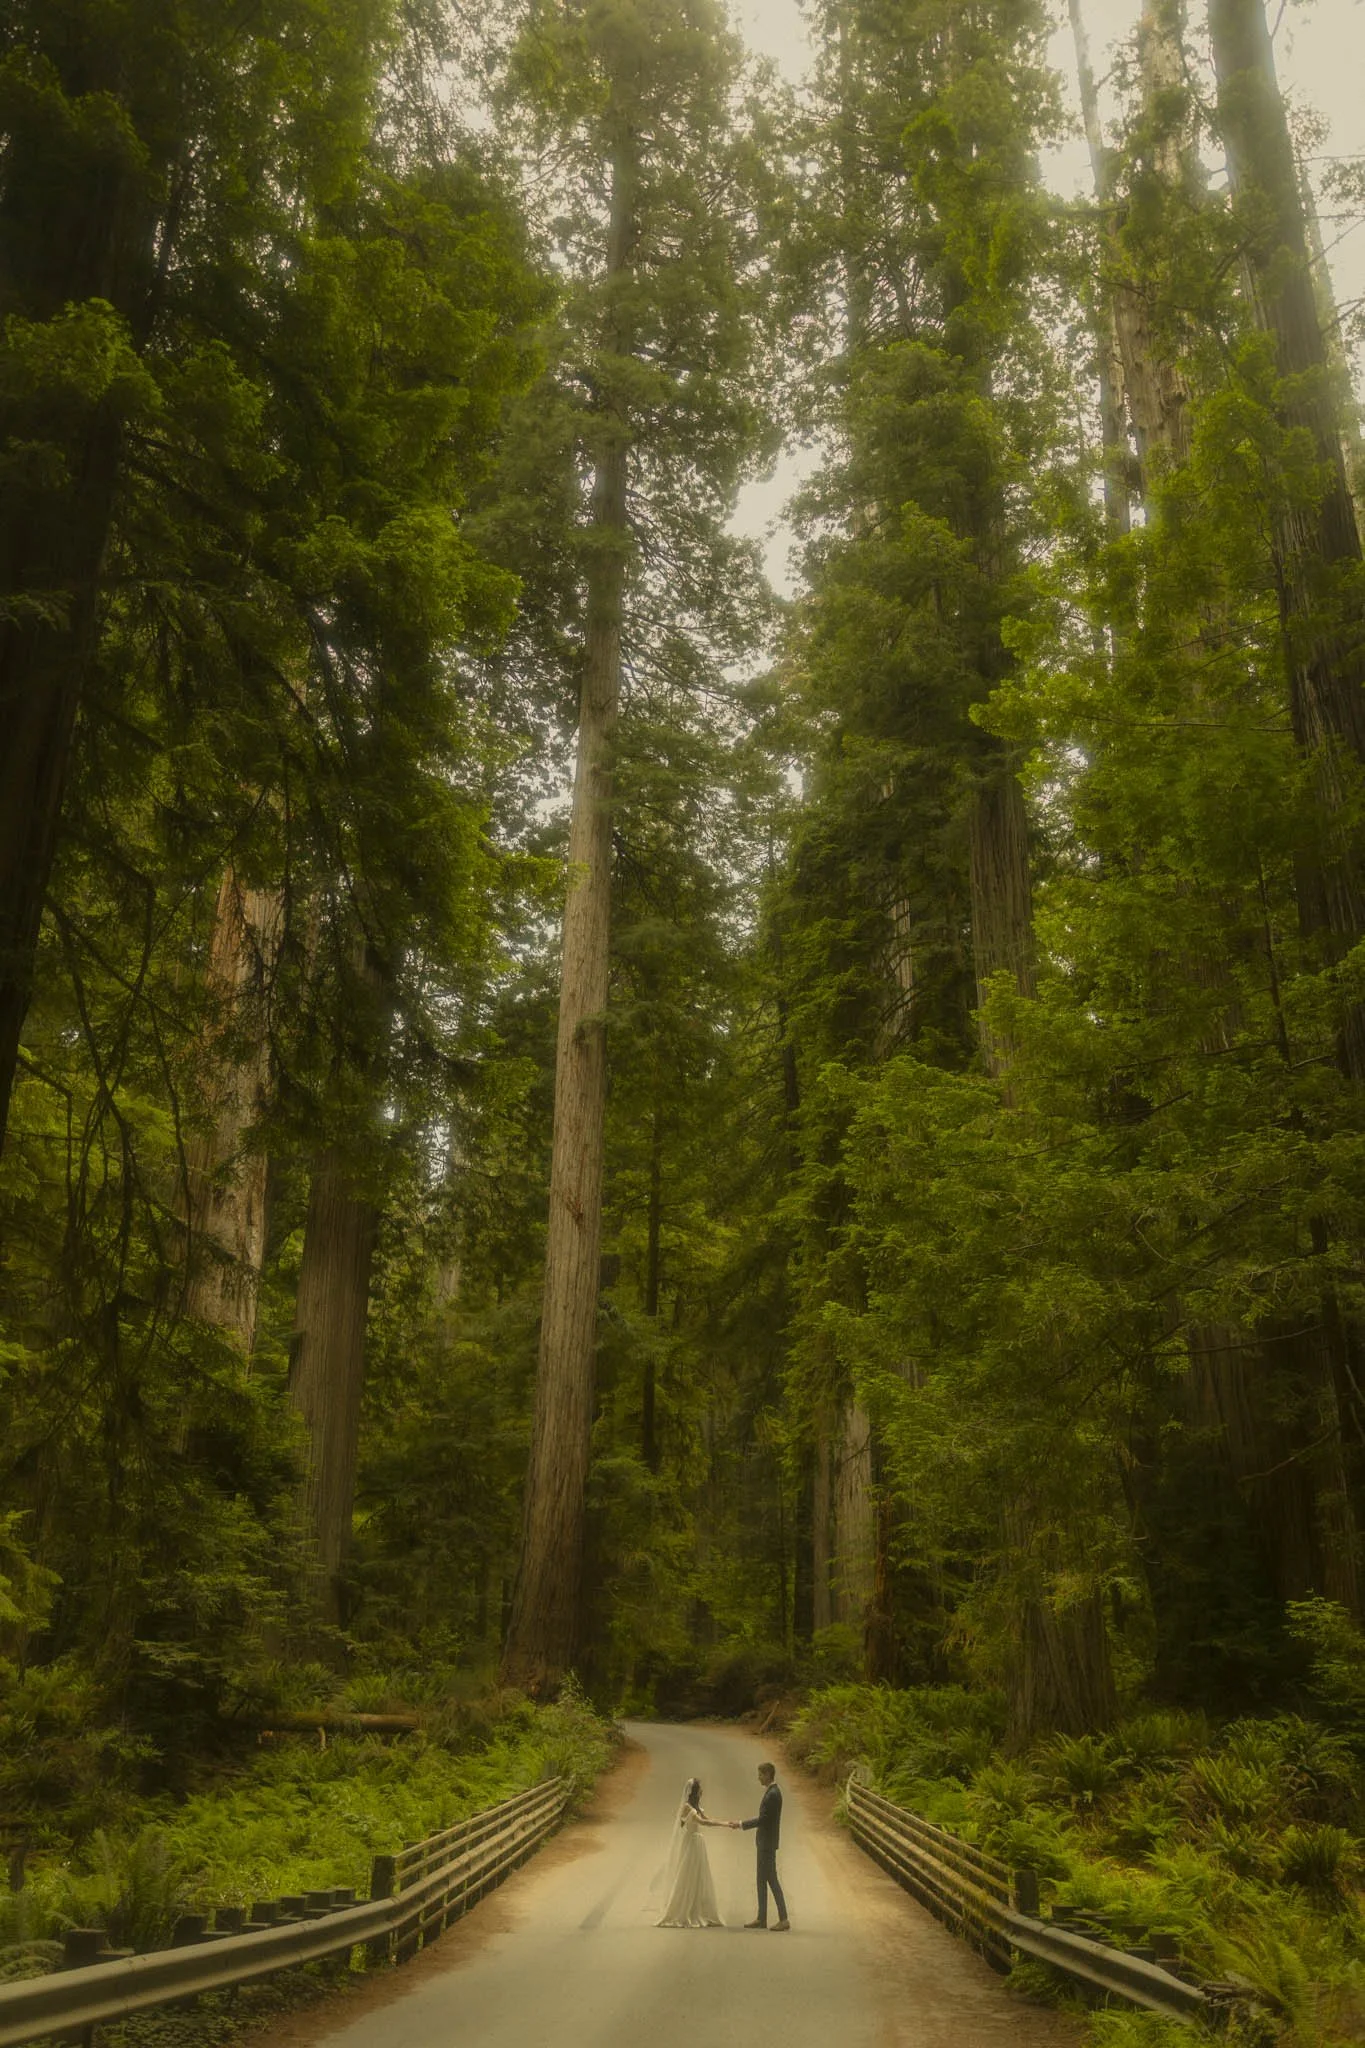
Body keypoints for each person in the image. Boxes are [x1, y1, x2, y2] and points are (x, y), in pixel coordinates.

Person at [657, 1777, 725, 1927]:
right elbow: (702, 1822)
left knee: (699, 1875)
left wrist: (724, 1824)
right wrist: (725, 1824)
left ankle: (697, 1907)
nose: (702, 1791)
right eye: (700, 1788)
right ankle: (683, 1909)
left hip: (698, 1842)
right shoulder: (687, 1807)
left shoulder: (697, 1807)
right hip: (691, 1841)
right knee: (687, 1873)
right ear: (694, 1791)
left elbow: (707, 1820)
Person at [730, 1760, 789, 1930]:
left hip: (767, 1844)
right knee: (761, 1880)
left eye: (761, 1774)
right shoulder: (772, 1792)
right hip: (765, 1842)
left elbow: (764, 1820)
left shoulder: (773, 1794)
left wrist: (741, 1824)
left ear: (768, 1774)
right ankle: (761, 1918)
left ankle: (783, 1919)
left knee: (771, 1880)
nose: (759, 1778)